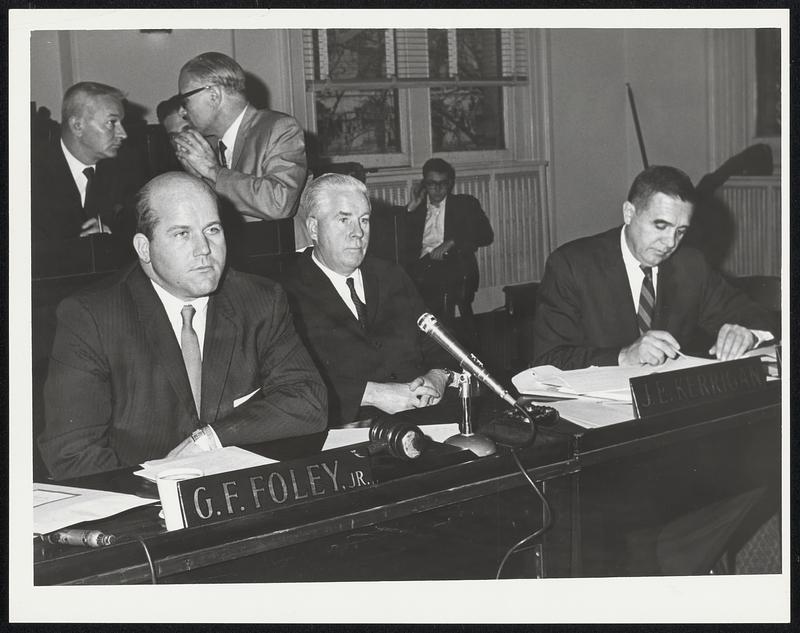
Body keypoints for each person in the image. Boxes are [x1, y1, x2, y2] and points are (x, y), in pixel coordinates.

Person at [39, 172, 327, 480]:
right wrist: (157, 494)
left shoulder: (260, 300)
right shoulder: (92, 318)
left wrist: (211, 439)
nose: (204, 248)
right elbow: (72, 453)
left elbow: (307, 400)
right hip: (140, 507)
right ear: (144, 248)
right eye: (182, 234)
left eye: (212, 230)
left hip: (239, 495)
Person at [532, 165, 775, 370]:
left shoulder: (691, 265)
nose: (670, 243)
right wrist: (623, 357)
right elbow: (547, 360)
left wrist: (749, 334)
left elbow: (758, 316)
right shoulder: (572, 265)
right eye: (660, 226)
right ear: (629, 213)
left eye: (680, 231)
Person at [281, 174, 456, 427]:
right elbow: (288, 386)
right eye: (344, 220)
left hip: (423, 419)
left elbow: (438, 343)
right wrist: (373, 394)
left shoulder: (391, 275)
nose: (358, 233)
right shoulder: (285, 292)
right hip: (345, 430)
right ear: (314, 229)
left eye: (364, 220)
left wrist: (438, 377)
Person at [173, 51, 307, 254]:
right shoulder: (206, 145)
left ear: (213, 95)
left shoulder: (279, 128)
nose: (182, 112)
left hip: (281, 261)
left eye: (185, 100)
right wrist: (195, 177)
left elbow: (280, 202)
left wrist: (213, 172)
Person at [31, 81, 143, 243]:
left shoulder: (127, 169)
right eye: (112, 123)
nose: (123, 134)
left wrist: (112, 236)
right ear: (77, 126)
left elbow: (138, 228)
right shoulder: (29, 174)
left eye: (121, 123)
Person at [404, 158, 494, 321]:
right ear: (424, 184)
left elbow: (486, 235)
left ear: (450, 183)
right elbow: (399, 239)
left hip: (452, 263)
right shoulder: (417, 208)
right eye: (432, 183)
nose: (437, 189)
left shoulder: (465, 204)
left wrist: (451, 242)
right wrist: (411, 207)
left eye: (443, 183)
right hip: (420, 264)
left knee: (434, 286)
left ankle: (439, 338)